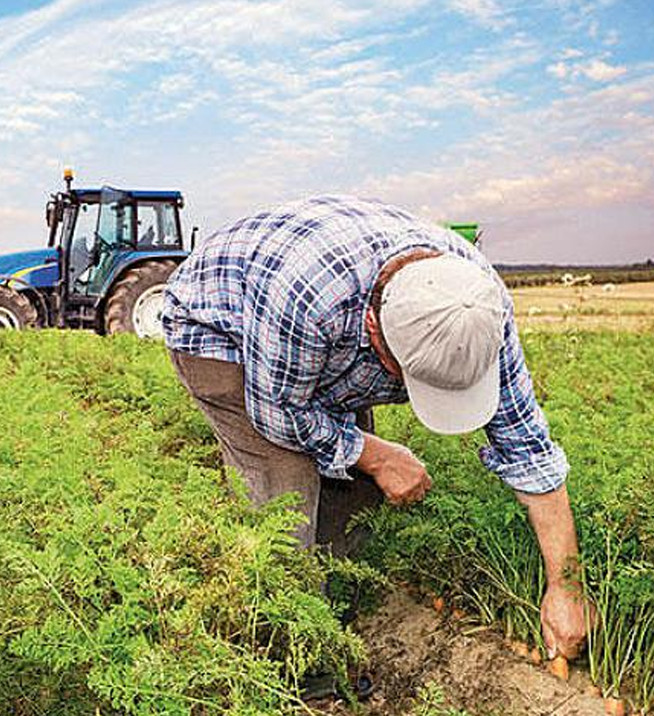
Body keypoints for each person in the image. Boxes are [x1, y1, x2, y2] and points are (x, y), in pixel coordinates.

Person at [161, 194, 589, 661]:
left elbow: (528, 448)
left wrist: (566, 587)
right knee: (286, 497)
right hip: (223, 331)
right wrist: (379, 454)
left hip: (317, 338)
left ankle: (336, 614)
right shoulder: (308, 300)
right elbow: (279, 414)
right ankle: (291, 655)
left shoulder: (477, 306)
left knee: (354, 487)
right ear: (373, 328)